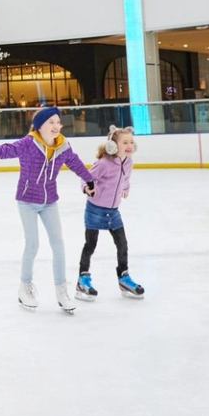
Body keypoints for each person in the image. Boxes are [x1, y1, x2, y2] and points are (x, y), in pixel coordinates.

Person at [0, 106, 94, 314]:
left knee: (58, 244)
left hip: (49, 201)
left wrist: (89, 179)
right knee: (33, 244)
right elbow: (6, 150)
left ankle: (62, 291)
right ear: (39, 126)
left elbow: (76, 164)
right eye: (50, 122)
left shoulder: (63, 147)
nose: (56, 126)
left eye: (58, 122)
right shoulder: (28, 143)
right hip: (27, 201)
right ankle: (25, 286)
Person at [76, 126, 144, 300]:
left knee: (122, 244)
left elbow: (126, 178)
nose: (129, 145)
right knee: (90, 245)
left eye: (131, 142)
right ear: (113, 145)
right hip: (95, 210)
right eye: (125, 142)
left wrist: (126, 187)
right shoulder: (104, 163)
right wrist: (86, 188)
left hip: (113, 211)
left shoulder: (128, 162)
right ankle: (82, 280)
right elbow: (86, 176)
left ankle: (124, 278)